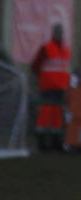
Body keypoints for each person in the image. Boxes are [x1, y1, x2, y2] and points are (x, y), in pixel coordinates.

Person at [31, 22, 71, 153]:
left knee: (57, 115)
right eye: (57, 32)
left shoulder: (66, 50)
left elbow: (64, 68)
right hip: (48, 87)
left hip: (60, 87)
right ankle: (42, 142)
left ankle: (55, 141)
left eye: (60, 32)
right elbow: (35, 65)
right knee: (45, 113)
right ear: (53, 33)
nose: (59, 35)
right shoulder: (46, 48)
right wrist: (43, 78)